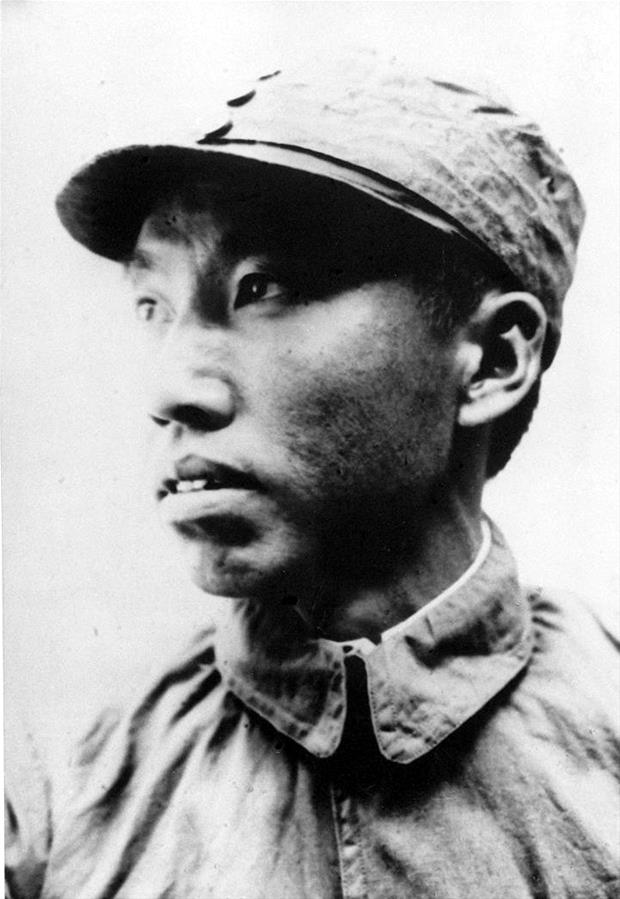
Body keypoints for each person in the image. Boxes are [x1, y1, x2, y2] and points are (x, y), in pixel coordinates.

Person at [5, 49, 619, 899]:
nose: (170, 388)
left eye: (262, 287)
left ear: (492, 359)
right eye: (153, 306)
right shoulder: (57, 789)